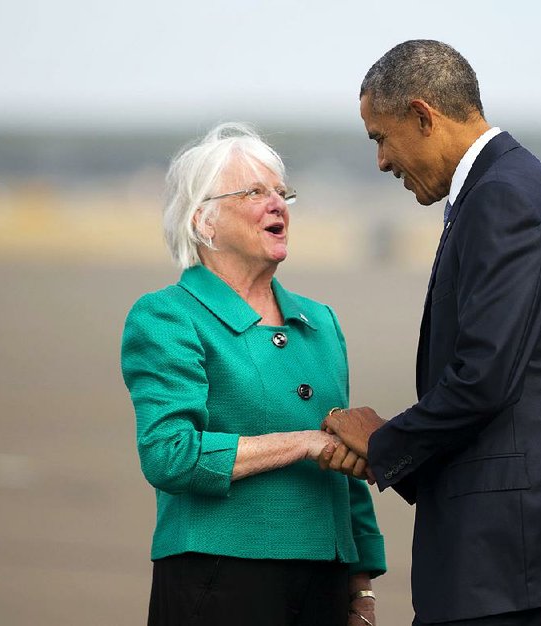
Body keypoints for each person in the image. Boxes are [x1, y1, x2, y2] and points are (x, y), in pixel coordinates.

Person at [321, 40, 541, 625]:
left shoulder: (502, 198)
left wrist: (384, 442)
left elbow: (484, 378)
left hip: (515, 558)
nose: (381, 162)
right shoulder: (505, 185)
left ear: (423, 116)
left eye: (379, 137)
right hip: (519, 555)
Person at [121, 122, 385, 626]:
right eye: (255, 192)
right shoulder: (169, 316)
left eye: (282, 193)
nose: (278, 204)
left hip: (326, 582)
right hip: (220, 581)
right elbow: (169, 455)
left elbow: (348, 463)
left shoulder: (320, 322)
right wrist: (303, 443)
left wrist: (362, 590)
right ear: (204, 221)